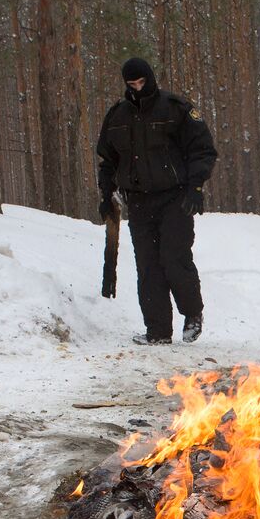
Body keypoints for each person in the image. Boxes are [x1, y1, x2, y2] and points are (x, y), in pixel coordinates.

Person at [97, 57, 218, 344]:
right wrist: (106, 195)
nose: (138, 88)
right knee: (148, 266)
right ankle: (158, 330)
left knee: (173, 258)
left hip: (174, 198)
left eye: (142, 82)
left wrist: (195, 188)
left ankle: (192, 315)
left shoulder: (175, 109)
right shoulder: (117, 116)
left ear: (150, 78)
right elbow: (108, 161)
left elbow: (202, 150)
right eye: (132, 84)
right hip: (138, 201)